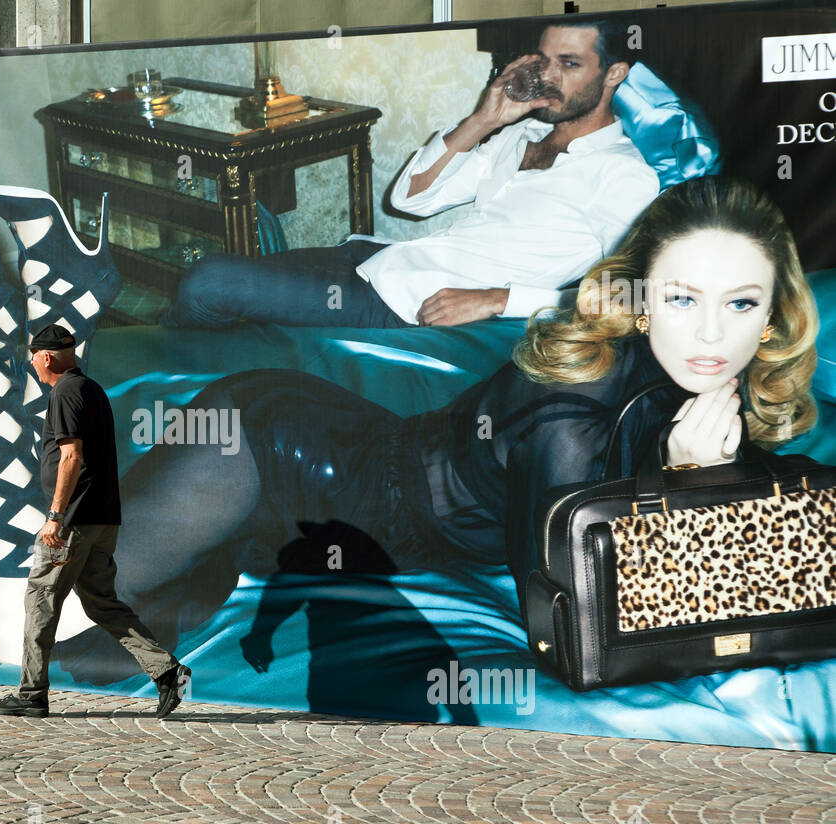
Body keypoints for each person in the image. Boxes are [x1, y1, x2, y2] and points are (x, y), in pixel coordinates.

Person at [100, 177, 817, 652]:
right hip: (279, 452)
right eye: (683, 298)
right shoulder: (572, 410)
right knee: (60, 621)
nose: (714, 336)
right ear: (635, 292)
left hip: (363, 456)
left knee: (158, 623)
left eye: (742, 303)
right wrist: (691, 485)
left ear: (775, 308)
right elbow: (571, 631)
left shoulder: (715, 373)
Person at [159, 20, 660, 331]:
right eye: (544, 61)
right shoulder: (516, 136)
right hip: (379, 258)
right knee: (223, 270)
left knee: (209, 280)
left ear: (615, 73)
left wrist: (499, 300)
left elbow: (632, 299)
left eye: (569, 64)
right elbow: (410, 200)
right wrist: (482, 120)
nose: (548, 77)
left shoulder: (626, 177)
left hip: (405, 303)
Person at [0, 324, 192, 718]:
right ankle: (166, 671)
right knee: (102, 604)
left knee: (41, 599)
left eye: (32, 359)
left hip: (73, 522)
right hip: (101, 520)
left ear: (45, 357)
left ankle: (31, 695)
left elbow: (71, 457)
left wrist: (55, 517)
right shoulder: (91, 389)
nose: (32, 366)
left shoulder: (64, 392)